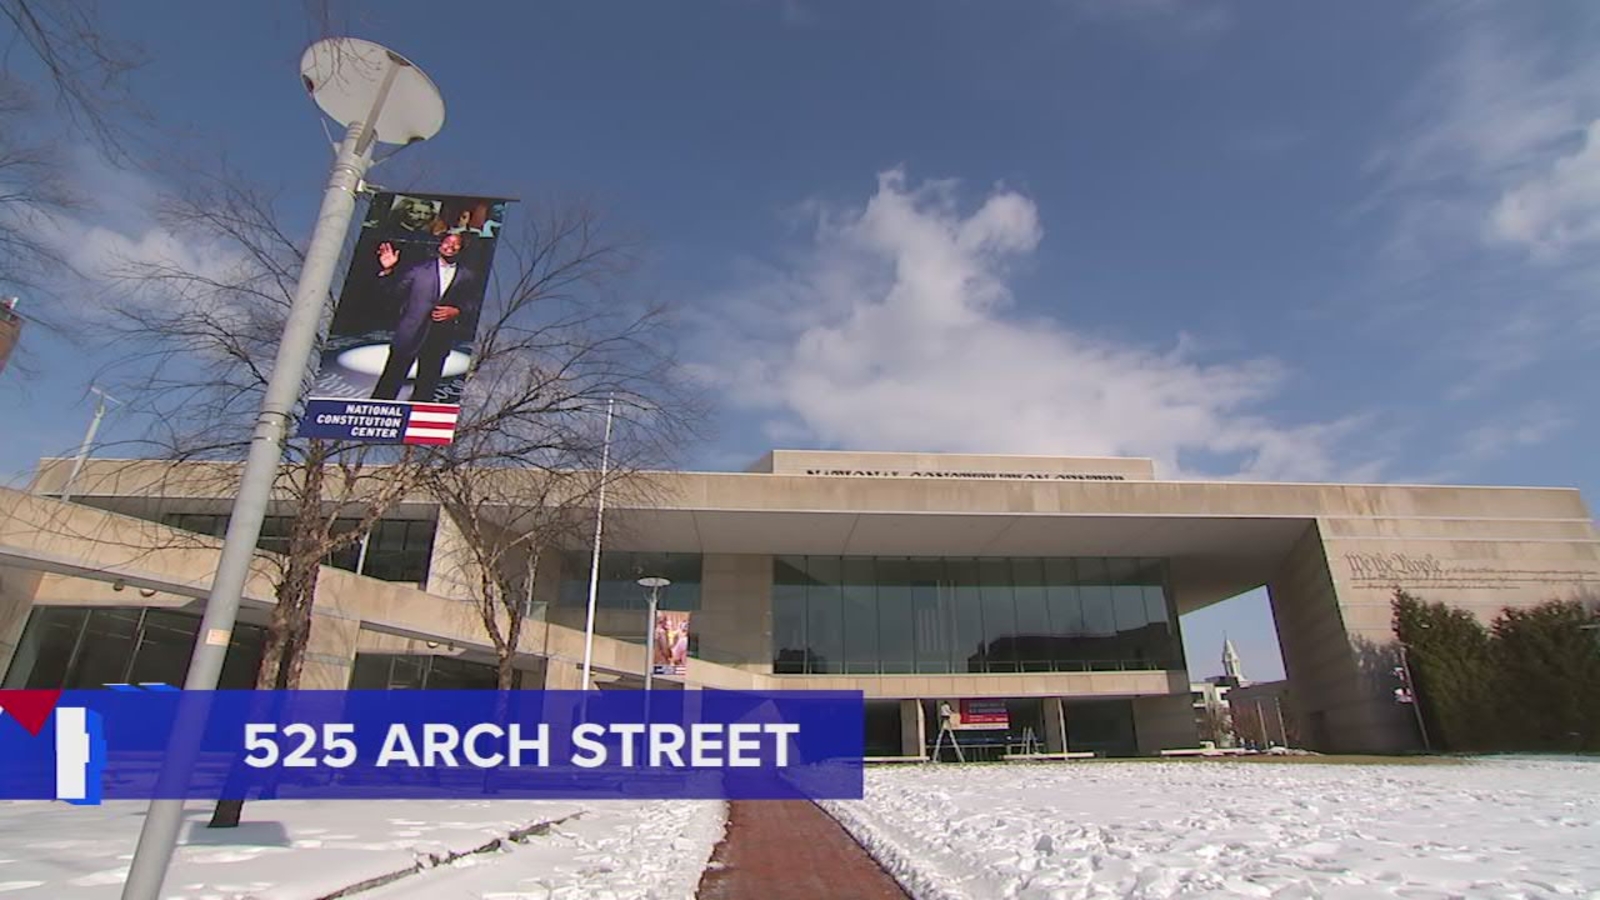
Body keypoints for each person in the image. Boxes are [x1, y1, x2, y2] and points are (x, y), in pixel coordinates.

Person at [369, 231, 482, 402]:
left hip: (439, 338)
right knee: (388, 385)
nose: (450, 246)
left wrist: (457, 311)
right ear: (440, 244)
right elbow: (392, 293)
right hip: (409, 335)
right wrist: (388, 270)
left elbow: (473, 304)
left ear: (461, 248)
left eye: (456, 244)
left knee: (426, 390)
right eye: (447, 241)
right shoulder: (419, 270)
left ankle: (414, 424)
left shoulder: (467, 276)